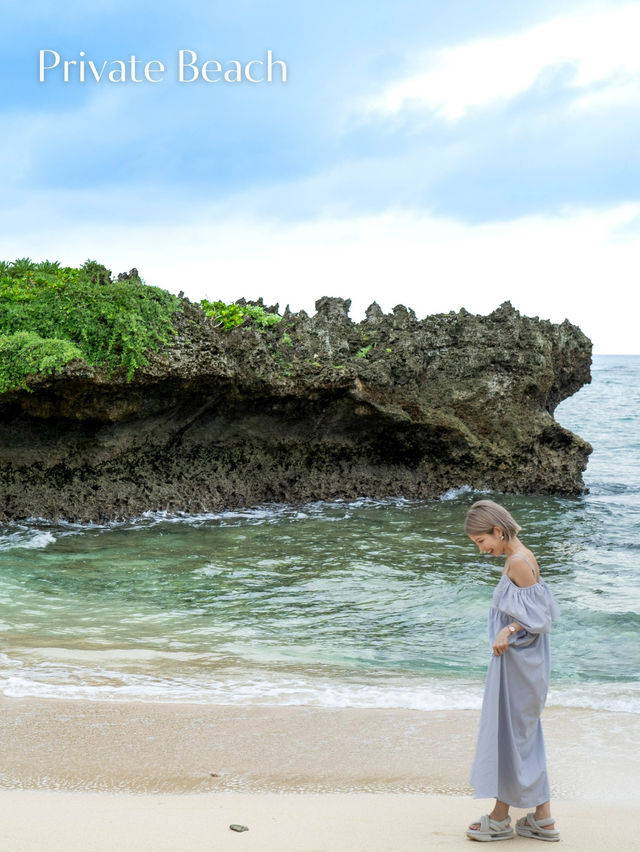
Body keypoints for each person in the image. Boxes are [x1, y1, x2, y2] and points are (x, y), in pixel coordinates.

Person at [464, 499, 561, 842]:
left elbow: (541, 618)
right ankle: (542, 819)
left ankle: (501, 817)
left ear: (498, 530)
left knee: (513, 734)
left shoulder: (518, 562)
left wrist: (508, 630)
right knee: (523, 734)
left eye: (481, 541)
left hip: (521, 665)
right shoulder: (518, 557)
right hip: (521, 664)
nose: (482, 549)